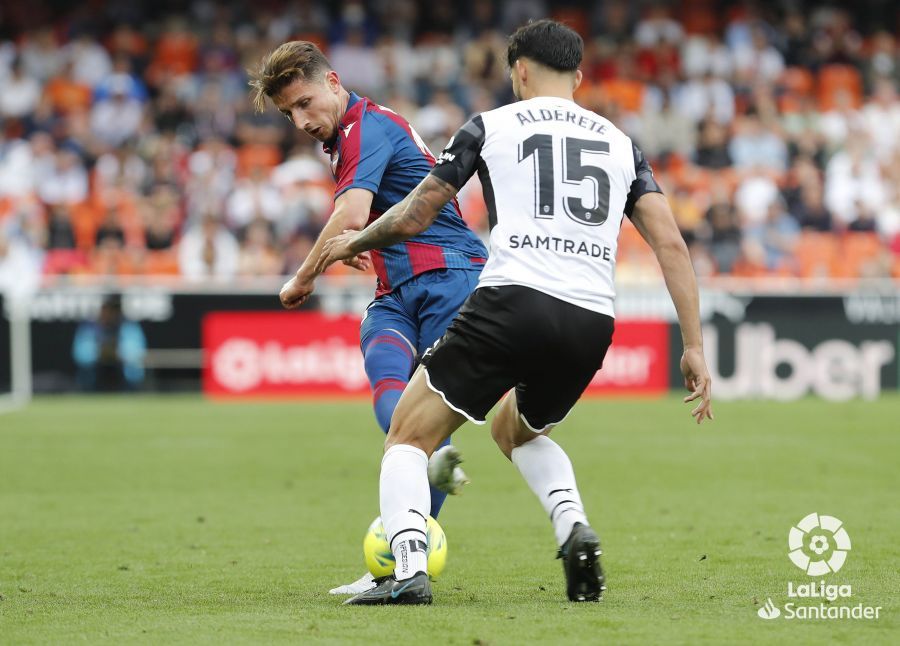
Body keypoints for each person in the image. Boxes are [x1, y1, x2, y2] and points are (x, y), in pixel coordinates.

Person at [317, 20, 714, 606]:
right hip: (591, 319)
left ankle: (407, 568)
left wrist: (354, 242)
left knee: (407, 433)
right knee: (516, 430)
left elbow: (416, 213)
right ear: (578, 76)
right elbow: (672, 247)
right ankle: (572, 527)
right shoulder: (623, 144)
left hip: (512, 299)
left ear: (520, 70)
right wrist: (694, 346)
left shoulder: (491, 125)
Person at [248, 41, 489, 594]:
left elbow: (351, 211)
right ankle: (417, 513)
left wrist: (306, 275)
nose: (303, 120)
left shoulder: (366, 125)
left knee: (416, 421)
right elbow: (371, 213)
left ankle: (408, 554)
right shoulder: (342, 137)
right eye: (290, 113)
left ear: (334, 81)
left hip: (449, 278)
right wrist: (358, 243)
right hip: (396, 285)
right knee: (386, 367)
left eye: (306, 102)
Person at [72, 295, 147, 392]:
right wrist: (99, 353)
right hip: (96, 367)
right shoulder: (89, 327)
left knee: (132, 370)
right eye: (106, 310)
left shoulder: (128, 327)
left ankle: (130, 396)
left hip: (121, 367)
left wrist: (118, 354)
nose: (110, 314)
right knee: (87, 372)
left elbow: (136, 353)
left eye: (114, 310)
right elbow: (81, 355)